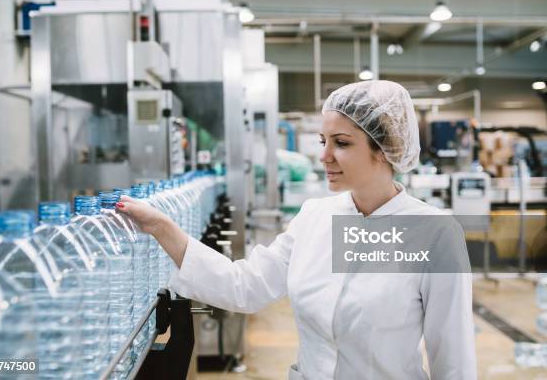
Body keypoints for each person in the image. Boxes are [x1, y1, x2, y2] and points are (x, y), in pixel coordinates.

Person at [117, 80, 477, 379]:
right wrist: (162, 227)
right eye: (324, 141)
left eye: (342, 143)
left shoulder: (435, 234)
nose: (324, 156)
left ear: (385, 149)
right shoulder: (315, 217)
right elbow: (246, 286)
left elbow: (454, 359)